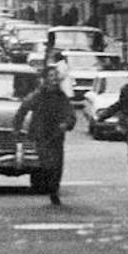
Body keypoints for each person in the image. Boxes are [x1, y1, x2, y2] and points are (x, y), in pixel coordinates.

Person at [13, 63, 75, 205]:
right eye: (51, 76)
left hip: (57, 135)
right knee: (47, 164)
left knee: (57, 165)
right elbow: (23, 110)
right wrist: (17, 129)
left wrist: (67, 123)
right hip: (41, 135)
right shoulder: (37, 95)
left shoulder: (61, 96)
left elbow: (70, 114)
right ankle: (48, 185)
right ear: (45, 79)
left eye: (56, 76)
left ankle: (54, 190)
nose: (54, 79)